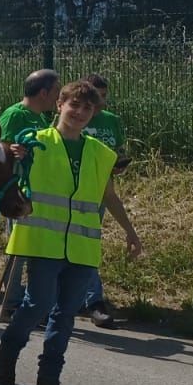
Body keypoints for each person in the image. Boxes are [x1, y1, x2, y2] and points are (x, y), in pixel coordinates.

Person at [0, 80, 143, 385]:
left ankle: (49, 380)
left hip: (83, 247)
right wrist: (14, 156)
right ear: (59, 105)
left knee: (66, 315)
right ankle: (7, 355)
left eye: (87, 108)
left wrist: (130, 231)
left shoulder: (102, 154)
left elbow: (108, 196)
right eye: (74, 105)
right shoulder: (34, 143)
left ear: (94, 113)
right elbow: (5, 170)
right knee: (38, 305)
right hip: (43, 242)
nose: (79, 112)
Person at [0, 70, 62, 318]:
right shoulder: (15, 115)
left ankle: (32, 302)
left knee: (34, 249)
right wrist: (10, 150)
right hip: (19, 191)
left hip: (38, 190)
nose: (58, 96)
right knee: (19, 248)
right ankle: (11, 303)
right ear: (43, 92)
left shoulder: (42, 119)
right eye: (56, 91)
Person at [78, 73, 129, 328]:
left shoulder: (112, 121)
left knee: (88, 243)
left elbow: (118, 150)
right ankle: (92, 300)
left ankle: (89, 299)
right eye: (97, 97)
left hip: (100, 191)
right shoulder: (73, 119)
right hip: (72, 192)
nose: (102, 103)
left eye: (105, 97)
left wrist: (118, 164)